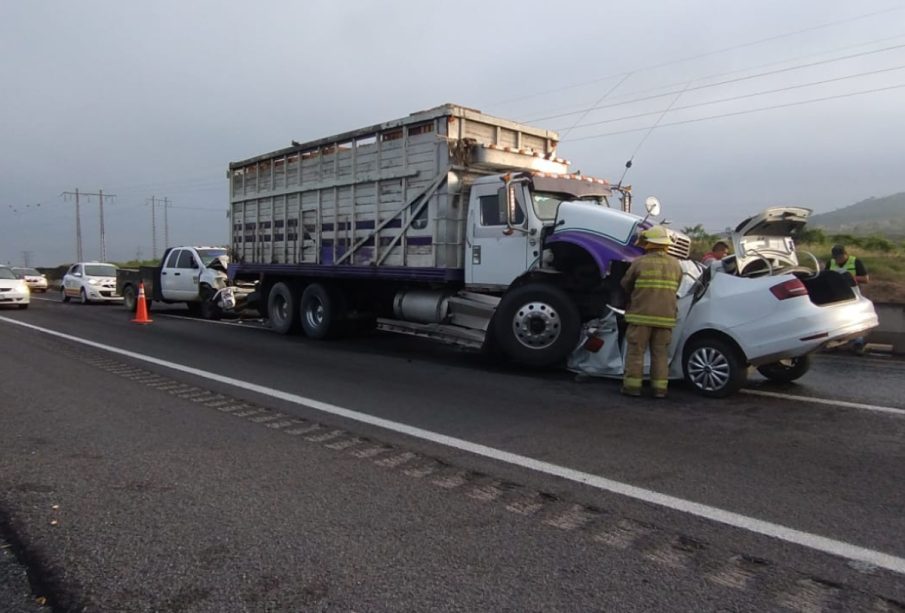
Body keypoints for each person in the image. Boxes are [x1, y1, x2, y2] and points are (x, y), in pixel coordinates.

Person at [620, 225, 683, 398]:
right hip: (665, 317)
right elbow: (677, 286)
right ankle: (660, 389)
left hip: (641, 316)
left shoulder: (639, 262)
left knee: (635, 352)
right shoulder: (676, 264)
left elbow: (625, 284)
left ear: (649, 243)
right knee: (660, 354)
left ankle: (632, 387)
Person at [826, 243, 869, 353]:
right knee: (834, 319)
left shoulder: (855, 262)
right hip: (835, 296)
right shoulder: (830, 263)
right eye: (835, 258)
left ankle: (858, 343)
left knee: (855, 319)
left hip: (853, 295)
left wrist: (848, 276)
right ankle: (833, 343)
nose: (837, 260)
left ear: (845, 254)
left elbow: (865, 279)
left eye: (839, 257)